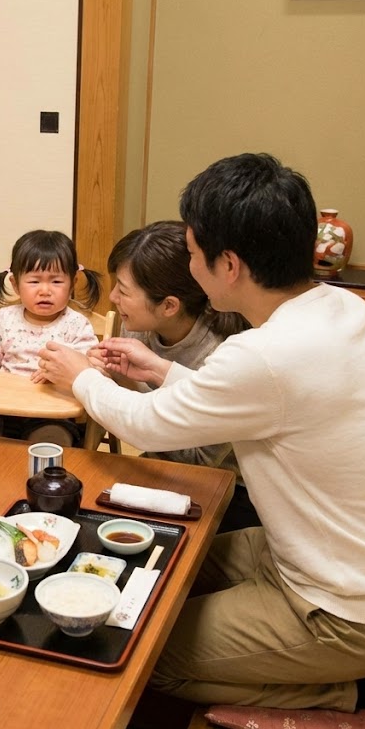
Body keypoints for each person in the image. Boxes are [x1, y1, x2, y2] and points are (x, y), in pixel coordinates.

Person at [39, 153, 365, 714]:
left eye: (192, 254)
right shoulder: (345, 308)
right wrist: (163, 370)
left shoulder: (261, 355)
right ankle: (356, 656)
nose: (189, 269)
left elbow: (147, 420)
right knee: (162, 560)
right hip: (341, 561)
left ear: (229, 264)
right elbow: (269, 400)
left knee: (141, 653)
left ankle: (352, 689)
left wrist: (83, 378)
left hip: (348, 612)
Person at [94, 221, 257, 532]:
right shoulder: (138, 326)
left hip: (229, 490)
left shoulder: (221, 355)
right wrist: (119, 378)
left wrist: (104, 388)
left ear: (169, 306)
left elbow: (197, 461)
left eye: (123, 290)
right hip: (160, 465)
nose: (113, 297)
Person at [0, 229, 102, 448]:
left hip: (51, 413)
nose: (45, 291)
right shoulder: (6, 317)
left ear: (72, 283)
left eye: (56, 282)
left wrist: (61, 373)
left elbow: (87, 364)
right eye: (34, 282)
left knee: (53, 444)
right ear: (15, 284)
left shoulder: (76, 324)